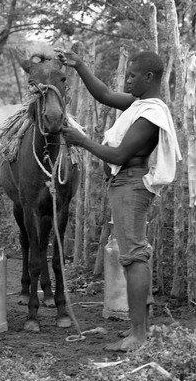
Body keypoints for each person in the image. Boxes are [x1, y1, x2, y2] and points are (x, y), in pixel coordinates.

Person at [56, 49, 181, 351]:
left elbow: (119, 155)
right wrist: (80, 66)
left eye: (133, 76)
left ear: (149, 77)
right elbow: (105, 95)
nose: (127, 82)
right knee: (133, 256)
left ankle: (138, 335)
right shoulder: (141, 104)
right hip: (125, 185)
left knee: (133, 258)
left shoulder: (151, 114)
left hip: (131, 186)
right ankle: (140, 330)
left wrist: (82, 140)